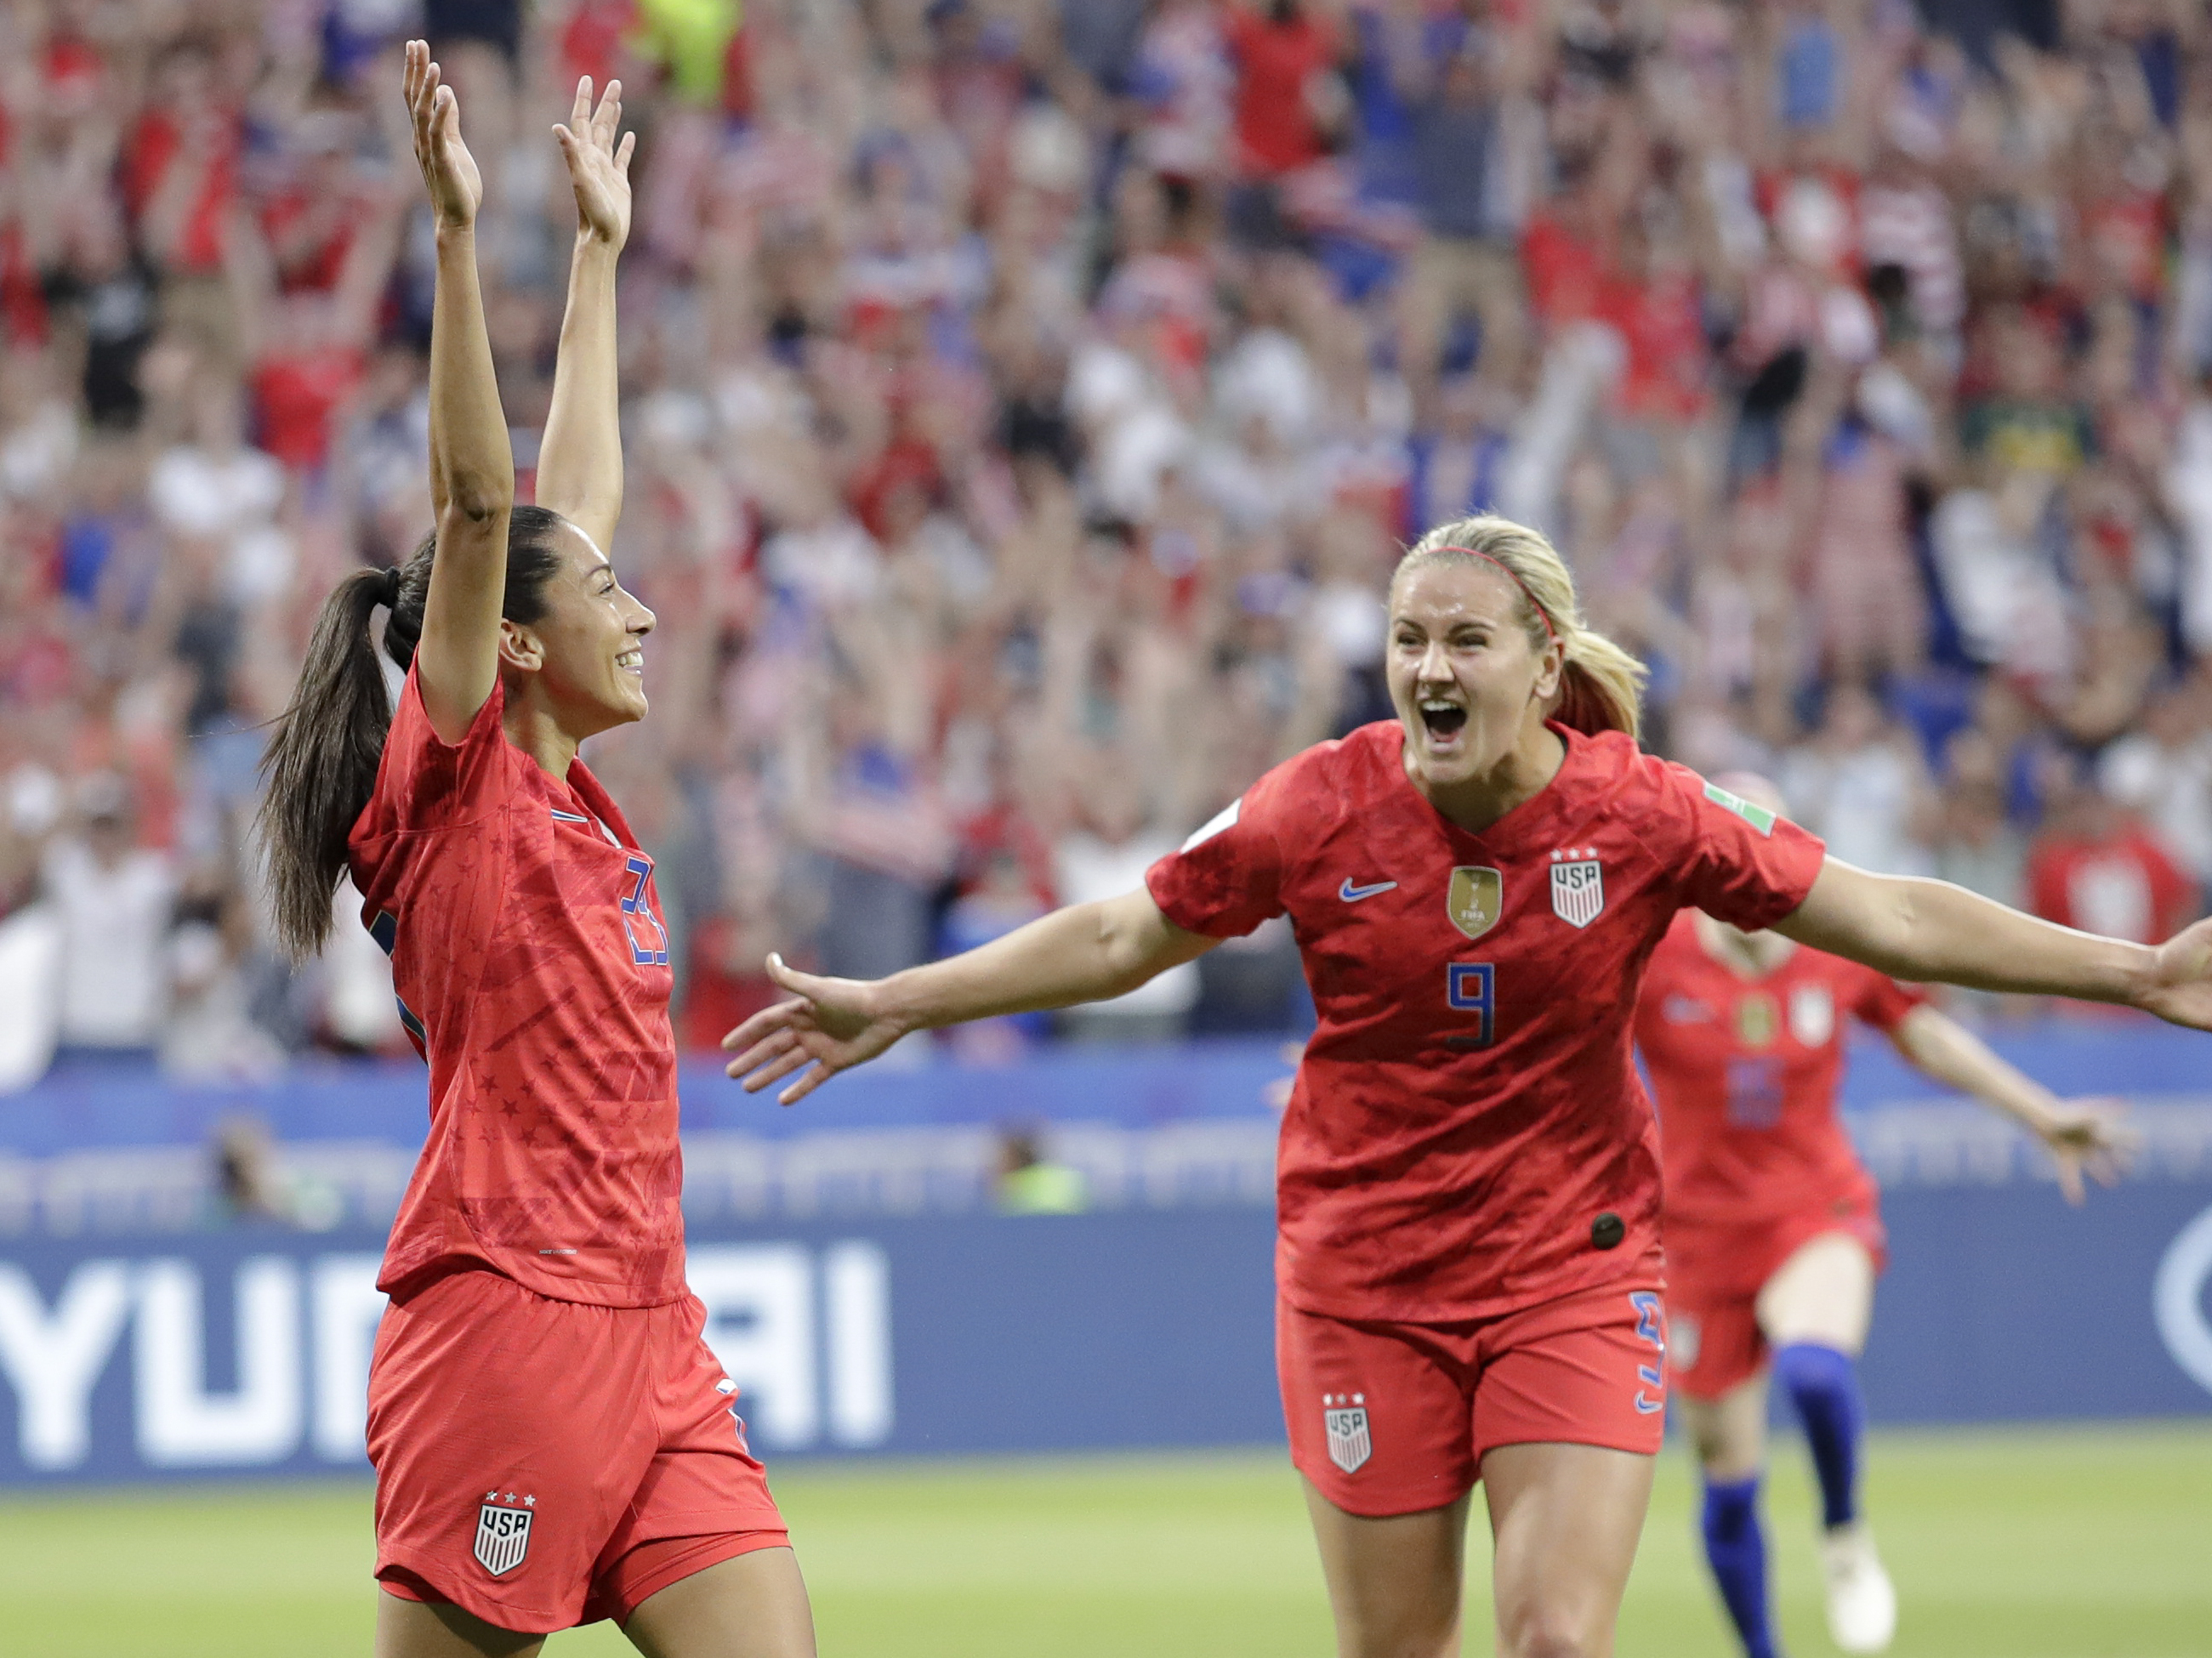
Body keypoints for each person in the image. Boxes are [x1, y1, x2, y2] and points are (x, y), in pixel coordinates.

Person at [723, 510, 2212, 1658]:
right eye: (1406, 638)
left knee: (1555, 1634)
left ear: (1544, 661)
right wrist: (902, 1002)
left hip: (1573, 1267)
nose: (1429, 668)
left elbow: (1886, 916)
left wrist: (2137, 972)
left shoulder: (1645, 815)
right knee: (1397, 1644)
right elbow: (1126, 930)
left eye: (1466, 641)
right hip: (1362, 1280)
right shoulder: (1318, 803)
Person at [255, 48, 815, 1658]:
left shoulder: (581, 802)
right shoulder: (454, 792)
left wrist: (597, 262)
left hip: (658, 1336)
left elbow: (566, 505)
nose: (640, 611)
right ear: (504, 645)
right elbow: (490, 503)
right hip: (502, 1327)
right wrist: (449, 241)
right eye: (606, 601)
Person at [1634, 773, 2134, 1658]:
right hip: (1695, 1238)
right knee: (1728, 1479)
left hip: (1812, 1208)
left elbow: (1926, 1035)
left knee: (1816, 1372)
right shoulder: (1653, 953)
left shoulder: (1835, 943)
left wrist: (2041, 1113)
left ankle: (1844, 1531)